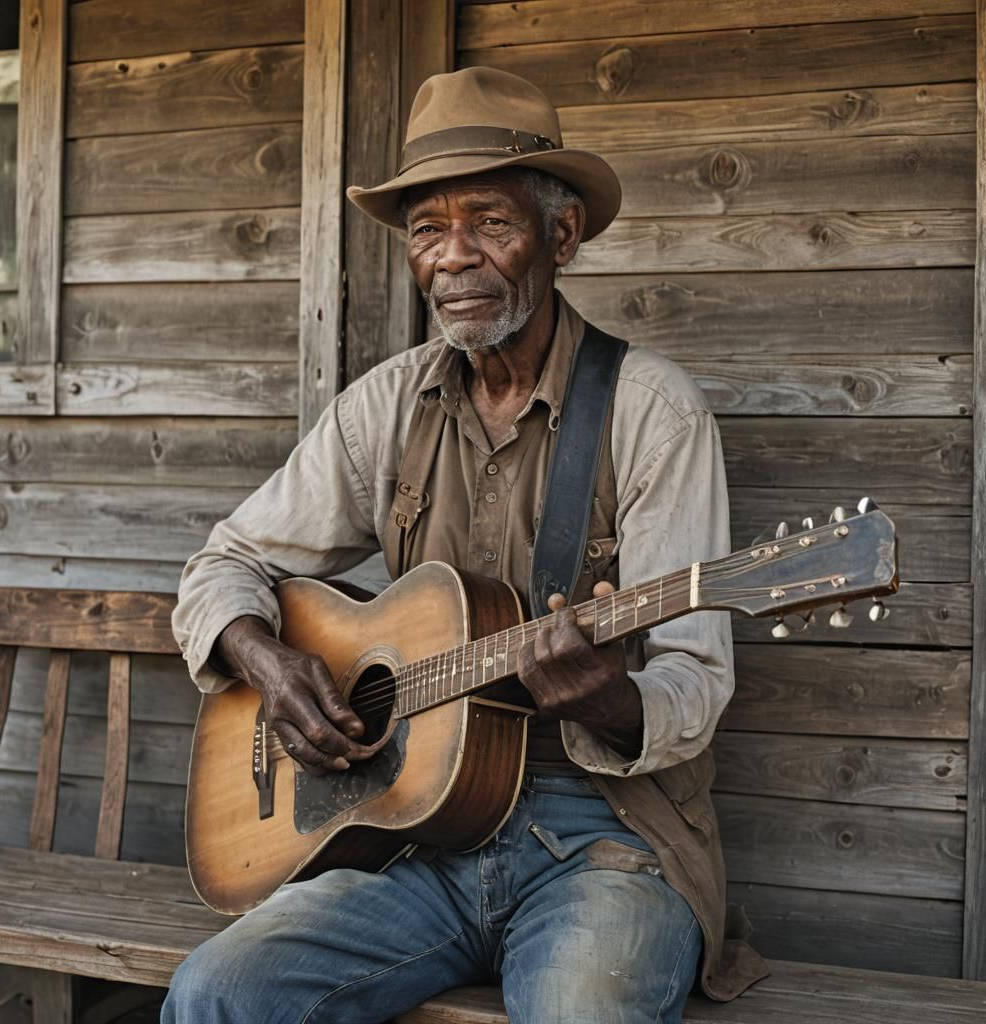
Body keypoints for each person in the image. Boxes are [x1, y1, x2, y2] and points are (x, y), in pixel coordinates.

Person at [164, 66, 766, 1024]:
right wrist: (268, 661)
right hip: (413, 836)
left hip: (603, 840)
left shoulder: (653, 414)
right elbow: (220, 566)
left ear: (559, 235)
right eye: (427, 230)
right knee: (217, 995)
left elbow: (696, 677)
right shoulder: (386, 405)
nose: (453, 257)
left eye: (490, 221)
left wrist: (612, 702)